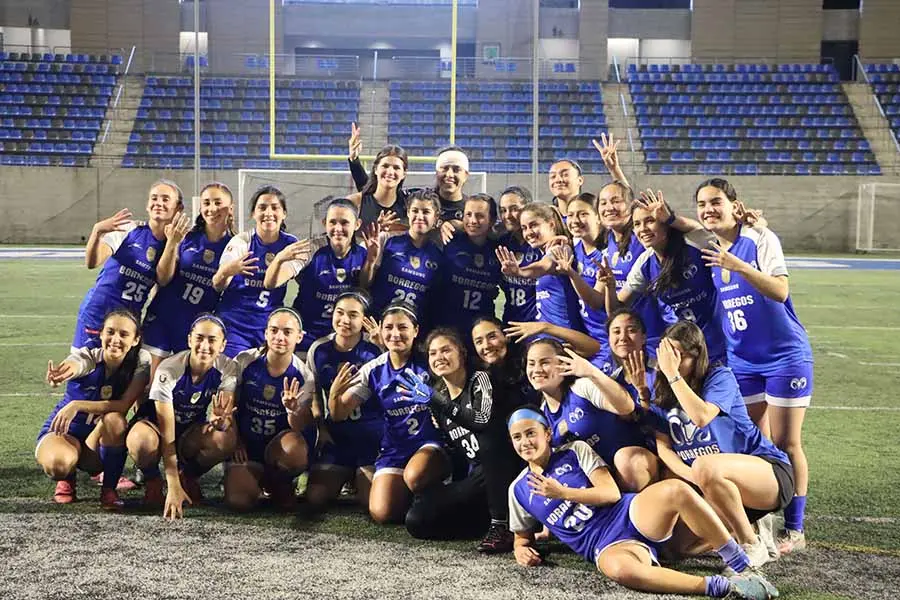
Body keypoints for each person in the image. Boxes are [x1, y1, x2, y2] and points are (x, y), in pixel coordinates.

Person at [506, 409, 779, 599]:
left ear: (547, 433)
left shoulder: (574, 451)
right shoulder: (518, 489)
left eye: (530, 433)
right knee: (619, 570)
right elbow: (522, 537)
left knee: (674, 490)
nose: (525, 442)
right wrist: (521, 549)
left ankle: (741, 563)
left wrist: (564, 493)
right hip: (603, 544)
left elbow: (610, 494)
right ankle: (719, 587)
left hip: (626, 513)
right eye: (517, 437)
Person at [694, 178, 813, 555]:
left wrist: (738, 264)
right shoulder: (711, 248)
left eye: (716, 202)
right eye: (702, 204)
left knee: (785, 442)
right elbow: (677, 224)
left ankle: (794, 529)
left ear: (735, 205)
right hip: (742, 362)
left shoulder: (761, 238)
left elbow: (780, 290)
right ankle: (757, 527)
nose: (708, 209)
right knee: (746, 444)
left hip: (784, 357)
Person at [648, 322, 795, 567]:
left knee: (706, 466)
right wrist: (693, 476)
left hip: (768, 474)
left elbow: (702, 416)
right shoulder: (663, 391)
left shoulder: (719, 377)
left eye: (680, 355)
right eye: (668, 354)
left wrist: (673, 375)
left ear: (697, 355)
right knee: (675, 548)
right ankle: (747, 527)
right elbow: (663, 447)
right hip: (713, 485)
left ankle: (751, 544)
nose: (671, 362)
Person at [401, 329, 522, 554]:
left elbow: (482, 420)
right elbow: (455, 448)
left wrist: (439, 403)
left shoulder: (480, 379)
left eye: (446, 350)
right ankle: (486, 523)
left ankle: (502, 526)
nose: (439, 357)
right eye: (433, 353)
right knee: (416, 519)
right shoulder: (437, 394)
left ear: (462, 353)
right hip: (477, 480)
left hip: (506, 473)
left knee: (488, 441)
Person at [337, 302, 449, 524]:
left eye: (402, 327)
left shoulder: (429, 361)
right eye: (389, 328)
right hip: (395, 447)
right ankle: (409, 494)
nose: (395, 334)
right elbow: (339, 412)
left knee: (415, 476)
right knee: (382, 513)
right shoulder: (374, 369)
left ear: (416, 331)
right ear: (380, 330)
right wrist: (334, 394)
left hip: (430, 442)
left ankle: (441, 487)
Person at [126, 314, 237, 518]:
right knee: (141, 441)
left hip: (188, 430)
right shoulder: (169, 370)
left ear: (223, 345)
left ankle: (189, 476)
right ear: (189, 340)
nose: (204, 345)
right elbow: (167, 434)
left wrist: (221, 422)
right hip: (156, 427)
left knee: (225, 438)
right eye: (199, 338)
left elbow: (225, 417)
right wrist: (172, 483)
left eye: (212, 340)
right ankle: (153, 480)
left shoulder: (228, 368)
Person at [38, 309, 151, 508]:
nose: (115, 339)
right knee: (58, 464)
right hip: (64, 431)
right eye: (110, 332)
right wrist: (61, 374)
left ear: (135, 340)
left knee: (116, 420)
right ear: (101, 334)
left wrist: (78, 405)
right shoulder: (89, 354)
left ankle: (109, 489)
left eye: (123, 334)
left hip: (96, 442)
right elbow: (76, 364)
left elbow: (124, 405)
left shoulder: (141, 361)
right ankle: (67, 478)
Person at [606, 192, 728, 364]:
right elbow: (616, 309)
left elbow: (709, 229)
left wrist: (756, 222)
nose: (643, 229)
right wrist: (609, 287)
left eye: (650, 221)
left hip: (723, 344)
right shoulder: (645, 264)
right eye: (637, 224)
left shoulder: (693, 243)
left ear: (665, 222)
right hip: (686, 351)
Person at [525, 338, 658, 492]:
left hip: (636, 464)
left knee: (625, 460)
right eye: (531, 363)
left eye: (544, 362)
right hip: (602, 482)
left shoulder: (582, 387)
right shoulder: (542, 416)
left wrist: (592, 372)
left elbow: (626, 407)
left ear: (563, 364)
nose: (537, 369)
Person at [73, 180, 182, 351]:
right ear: (147, 205)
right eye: (154, 198)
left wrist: (172, 243)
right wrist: (97, 232)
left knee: (118, 376)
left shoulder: (176, 245)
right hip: (98, 313)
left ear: (177, 208)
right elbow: (92, 262)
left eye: (165, 199)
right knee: (84, 371)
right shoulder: (128, 229)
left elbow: (163, 279)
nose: (158, 203)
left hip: (128, 325)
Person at [224, 308, 315, 511]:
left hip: (278, 447)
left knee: (295, 449)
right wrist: (235, 440)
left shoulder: (304, 375)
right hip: (246, 446)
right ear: (265, 333)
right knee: (239, 502)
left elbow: (300, 427)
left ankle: (279, 482)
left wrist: (292, 410)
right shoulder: (245, 360)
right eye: (274, 330)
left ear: (299, 337)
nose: (279, 337)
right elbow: (230, 405)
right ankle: (253, 479)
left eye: (287, 332)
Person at [142, 182, 235, 374]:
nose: (212, 208)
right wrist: (172, 243)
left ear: (230, 208)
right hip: (163, 317)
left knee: (177, 388)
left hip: (194, 330)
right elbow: (163, 279)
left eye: (218, 202)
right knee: (147, 384)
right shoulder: (187, 237)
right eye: (206, 203)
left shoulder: (236, 246)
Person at [305, 291, 382, 510]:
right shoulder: (319, 349)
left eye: (353, 315)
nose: (345, 320)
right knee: (316, 497)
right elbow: (314, 394)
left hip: (370, 436)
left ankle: (361, 476)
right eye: (340, 313)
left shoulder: (374, 350)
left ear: (364, 319)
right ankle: (347, 473)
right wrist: (321, 427)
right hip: (338, 434)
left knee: (371, 503)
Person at [264, 197, 368, 354]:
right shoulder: (311, 249)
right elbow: (271, 283)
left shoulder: (364, 253)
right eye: (332, 222)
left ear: (357, 224)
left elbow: (367, 288)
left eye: (344, 222)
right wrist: (279, 260)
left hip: (343, 336)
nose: (338, 228)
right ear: (325, 223)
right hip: (307, 335)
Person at [213, 185, 302, 358]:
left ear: (284, 214)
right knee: (232, 374)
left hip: (268, 328)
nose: (268, 212)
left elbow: (272, 283)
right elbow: (217, 285)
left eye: (275, 208)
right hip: (235, 324)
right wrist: (227, 271)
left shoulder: (291, 245)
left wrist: (280, 259)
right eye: (262, 207)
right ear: (253, 214)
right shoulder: (242, 241)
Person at [496, 203, 585, 334]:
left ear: (551, 224)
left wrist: (520, 272)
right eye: (524, 228)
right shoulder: (547, 249)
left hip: (564, 335)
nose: (528, 232)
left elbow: (544, 266)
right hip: (550, 335)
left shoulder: (560, 248)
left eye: (534, 225)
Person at [362, 190, 445, 329]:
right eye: (415, 211)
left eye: (426, 212)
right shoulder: (387, 240)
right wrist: (370, 261)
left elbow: (434, 300)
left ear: (436, 217)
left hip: (410, 330)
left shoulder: (438, 254)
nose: (419, 216)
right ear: (408, 213)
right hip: (378, 323)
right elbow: (364, 284)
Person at [556, 192, 617, 373]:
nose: (575, 220)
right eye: (571, 215)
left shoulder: (607, 253)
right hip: (585, 338)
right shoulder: (574, 248)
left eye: (583, 214)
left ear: (598, 217)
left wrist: (571, 273)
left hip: (607, 339)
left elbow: (596, 301)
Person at [435, 194, 502, 336]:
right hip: (446, 325)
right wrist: (443, 224)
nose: (473, 220)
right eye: (468, 215)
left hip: (481, 328)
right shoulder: (449, 239)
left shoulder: (499, 249)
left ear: (492, 220)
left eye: (480, 216)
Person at [496, 186, 540, 324]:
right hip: (510, 323)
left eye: (514, 209)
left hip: (538, 326)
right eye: (503, 210)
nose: (508, 215)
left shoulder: (541, 242)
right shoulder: (502, 243)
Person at [347, 145, 409, 230]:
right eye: (385, 166)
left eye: (396, 168)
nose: (390, 172)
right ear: (376, 169)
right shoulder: (355, 202)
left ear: (404, 174)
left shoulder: (409, 204)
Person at [433, 145, 470, 226]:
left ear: (466, 175)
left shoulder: (471, 208)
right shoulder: (421, 202)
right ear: (436, 173)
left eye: (456, 170)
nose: (449, 174)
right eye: (444, 168)